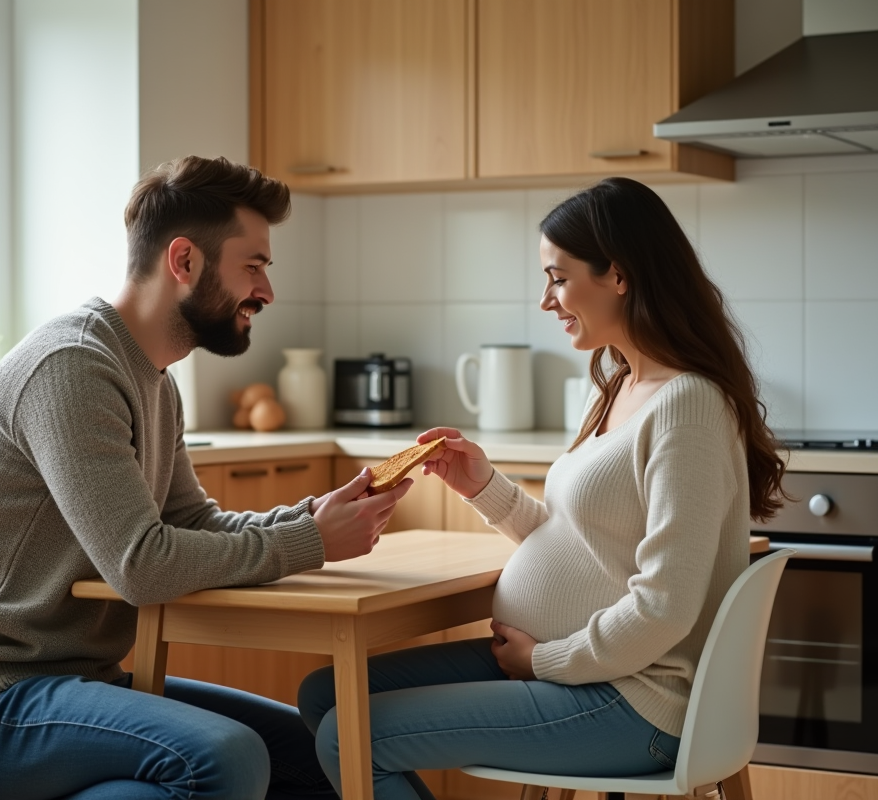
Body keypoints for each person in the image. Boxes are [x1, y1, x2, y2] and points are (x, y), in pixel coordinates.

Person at [0, 155, 412, 800]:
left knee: (330, 755)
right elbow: (140, 564)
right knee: (225, 758)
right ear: (185, 261)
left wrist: (312, 518)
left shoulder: (155, 379)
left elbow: (190, 523)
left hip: (77, 680)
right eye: (254, 266)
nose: (267, 291)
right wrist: (312, 543)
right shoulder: (73, 366)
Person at [296, 176, 788, 800]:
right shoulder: (617, 386)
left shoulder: (686, 405)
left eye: (558, 277)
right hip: (575, 669)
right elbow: (581, 540)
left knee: (348, 735)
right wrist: (483, 487)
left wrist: (542, 662)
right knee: (323, 693)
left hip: (631, 699)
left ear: (619, 275)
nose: (546, 300)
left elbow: (665, 606)